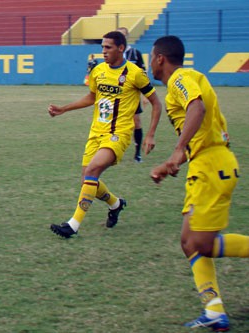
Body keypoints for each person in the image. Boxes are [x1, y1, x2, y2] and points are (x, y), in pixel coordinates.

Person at [150, 35, 248, 331]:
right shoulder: (178, 84)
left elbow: (197, 107)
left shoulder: (181, 77)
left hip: (211, 166)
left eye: (150, 57)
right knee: (188, 242)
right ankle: (214, 310)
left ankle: (215, 311)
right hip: (204, 165)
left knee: (201, 244)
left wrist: (178, 150)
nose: (149, 63)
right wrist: (175, 162)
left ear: (160, 59)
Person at [48, 31, 162, 238]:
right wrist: (64, 108)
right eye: (102, 47)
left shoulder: (135, 73)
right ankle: (116, 204)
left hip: (118, 134)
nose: (103, 51)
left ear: (121, 48)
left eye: (108, 47)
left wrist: (150, 134)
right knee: (87, 179)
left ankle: (73, 225)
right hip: (96, 132)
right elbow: (91, 97)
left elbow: (156, 102)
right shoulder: (99, 70)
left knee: (92, 170)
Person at [117, 27, 147, 163]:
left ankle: (137, 153)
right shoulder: (113, 54)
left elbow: (143, 75)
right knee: (114, 123)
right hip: (116, 95)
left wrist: (145, 95)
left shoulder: (135, 54)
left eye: (123, 35)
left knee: (136, 122)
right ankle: (113, 150)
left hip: (132, 94)